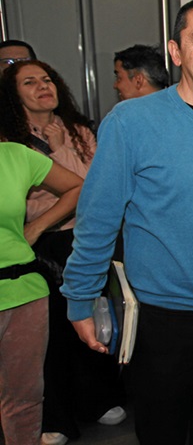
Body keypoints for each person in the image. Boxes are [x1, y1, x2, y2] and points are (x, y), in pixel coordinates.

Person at [61, 0, 193, 445]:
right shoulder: (130, 122)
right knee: (162, 435)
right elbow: (97, 220)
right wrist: (79, 299)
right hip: (164, 322)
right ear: (176, 52)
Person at [0, 59, 125, 445]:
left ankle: (97, 400)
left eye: (48, 79)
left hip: (80, 240)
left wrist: (58, 150)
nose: (43, 86)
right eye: (30, 82)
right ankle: (55, 419)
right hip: (33, 249)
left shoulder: (79, 131)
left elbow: (94, 188)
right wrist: (36, 226)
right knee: (46, 338)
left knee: (90, 324)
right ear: (11, 94)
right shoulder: (10, 141)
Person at [0, 142, 82, 445]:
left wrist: (35, 228)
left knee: (25, 400)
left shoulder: (15, 155)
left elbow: (76, 187)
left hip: (25, 292)